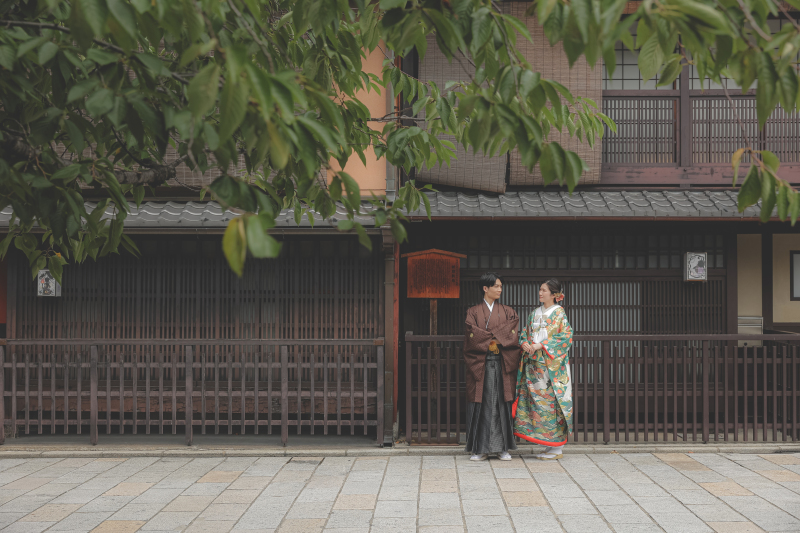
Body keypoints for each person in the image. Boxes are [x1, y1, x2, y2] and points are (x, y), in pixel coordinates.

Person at [462, 272, 521, 461]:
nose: (499, 289)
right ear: (485, 288)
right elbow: (471, 334)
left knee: (502, 403)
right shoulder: (473, 312)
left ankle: (503, 448)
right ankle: (481, 449)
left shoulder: (508, 311)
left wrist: (489, 336)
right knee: (483, 403)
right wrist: (495, 337)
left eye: (501, 286)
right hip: (481, 363)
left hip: (503, 362)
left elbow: (512, 332)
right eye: (496, 286)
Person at [514, 279, 574, 460]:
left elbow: (565, 337)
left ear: (554, 294)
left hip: (550, 368)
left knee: (551, 404)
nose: (540, 293)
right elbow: (525, 332)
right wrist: (524, 342)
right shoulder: (534, 313)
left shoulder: (559, 314)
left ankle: (557, 447)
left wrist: (541, 345)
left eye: (544, 290)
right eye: (540, 290)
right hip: (534, 366)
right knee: (537, 405)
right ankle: (548, 444)